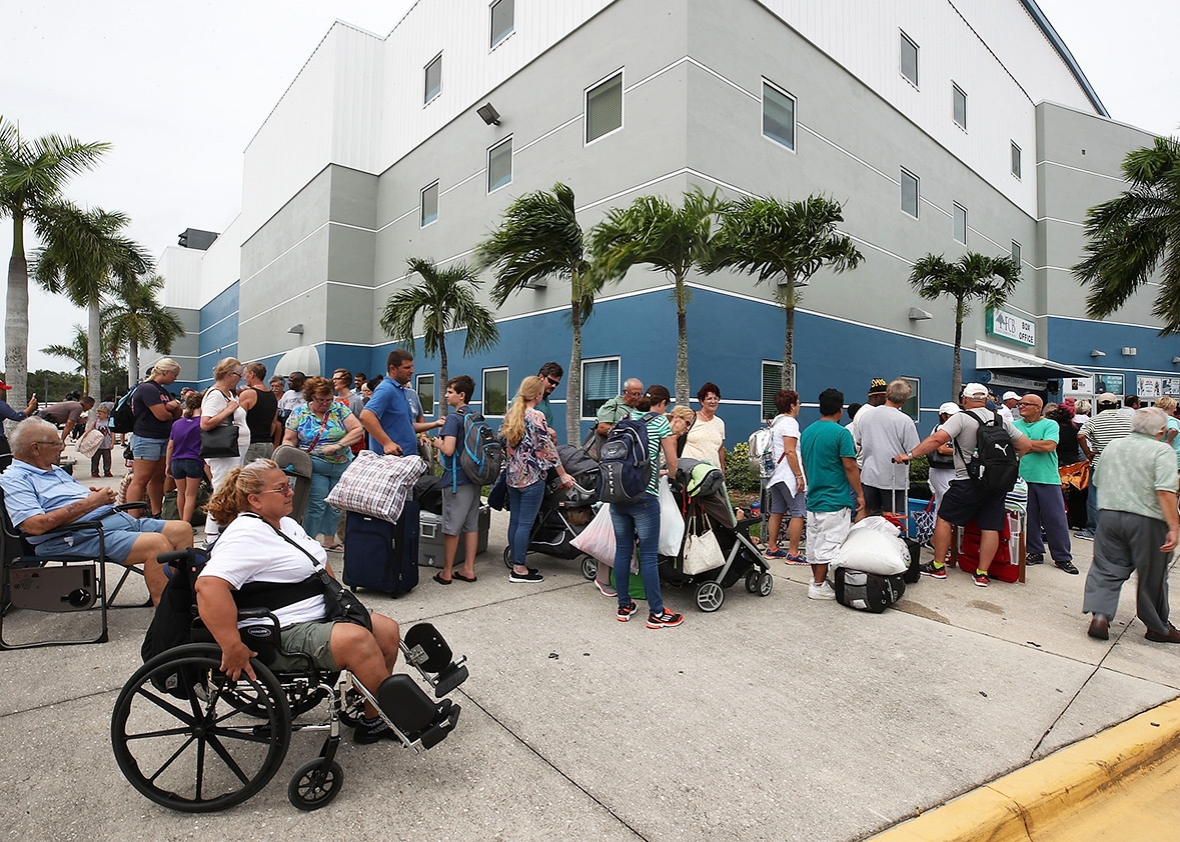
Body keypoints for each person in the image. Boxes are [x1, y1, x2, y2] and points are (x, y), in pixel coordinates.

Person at [194, 459, 408, 743]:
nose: (290, 492)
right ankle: (394, 714)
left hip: (315, 614)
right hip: (276, 631)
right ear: (255, 500)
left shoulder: (286, 524)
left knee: (387, 630)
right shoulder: (244, 535)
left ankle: (372, 718)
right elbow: (209, 587)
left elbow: (319, 567)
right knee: (358, 640)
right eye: (281, 489)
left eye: (289, 486)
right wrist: (232, 646)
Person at [0, 418, 192, 605]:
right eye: (56, 443)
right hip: (74, 537)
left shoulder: (53, 470)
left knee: (182, 529)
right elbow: (35, 526)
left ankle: (179, 597)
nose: (62, 447)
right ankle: (169, 618)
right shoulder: (15, 479)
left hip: (107, 523)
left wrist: (94, 496)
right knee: (155, 544)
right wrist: (91, 503)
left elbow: (76, 500)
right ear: (35, 448)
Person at [894, 383, 1030, 587]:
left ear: (965, 400)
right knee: (990, 527)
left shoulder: (961, 417)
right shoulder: (1000, 419)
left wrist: (910, 455)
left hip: (967, 480)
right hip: (995, 483)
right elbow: (1025, 445)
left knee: (945, 519)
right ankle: (982, 574)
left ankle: (938, 566)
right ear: (985, 399)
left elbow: (938, 439)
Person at [1083, 408, 1180, 644]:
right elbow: (1165, 491)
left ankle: (1100, 615)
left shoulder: (1114, 446)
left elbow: (1097, 480)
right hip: (1148, 518)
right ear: (1161, 430)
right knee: (1153, 573)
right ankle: (1157, 626)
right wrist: (1174, 527)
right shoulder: (1162, 451)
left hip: (1110, 514)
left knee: (1106, 567)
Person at [610, 386, 683, 629]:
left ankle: (624, 606)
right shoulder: (661, 423)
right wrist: (672, 476)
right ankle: (657, 613)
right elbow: (672, 462)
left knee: (622, 551)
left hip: (618, 495)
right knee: (648, 555)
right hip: (644, 496)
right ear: (661, 404)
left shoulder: (626, 418)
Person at [501, 376, 573, 583]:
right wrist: (562, 473)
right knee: (525, 522)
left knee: (515, 521)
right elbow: (546, 449)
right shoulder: (536, 416)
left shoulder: (512, 414)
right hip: (532, 477)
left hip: (513, 476)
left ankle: (515, 559)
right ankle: (519, 568)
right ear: (538, 395)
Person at [283, 376, 364, 551]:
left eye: (329, 399)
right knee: (317, 504)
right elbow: (288, 439)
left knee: (335, 505)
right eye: (321, 400)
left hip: (341, 463)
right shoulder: (299, 413)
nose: (325, 403)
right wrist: (291, 458)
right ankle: (309, 541)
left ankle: (329, 540)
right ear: (311, 396)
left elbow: (358, 430)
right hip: (314, 464)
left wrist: (339, 445)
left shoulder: (339, 409)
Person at [799, 388, 864, 600]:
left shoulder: (807, 432)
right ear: (840, 409)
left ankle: (817, 581)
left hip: (814, 497)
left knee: (814, 543)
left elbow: (806, 465)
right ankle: (818, 585)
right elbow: (850, 466)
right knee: (829, 544)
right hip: (835, 498)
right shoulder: (841, 433)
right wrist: (860, 494)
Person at [1013, 394, 1077, 573]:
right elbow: (1011, 445)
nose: (1021, 406)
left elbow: (1049, 446)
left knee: (1055, 518)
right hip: (1022, 478)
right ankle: (1034, 551)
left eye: (1026, 404)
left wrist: (1023, 444)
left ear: (1037, 408)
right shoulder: (1013, 425)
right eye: (1020, 403)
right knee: (1029, 519)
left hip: (1047, 477)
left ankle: (1063, 557)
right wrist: (1034, 445)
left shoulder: (1050, 424)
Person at [434, 375, 481, 585]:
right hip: (474, 477)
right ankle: (469, 569)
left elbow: (449, 449)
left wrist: (437, 443)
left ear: (461, 395)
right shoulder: (475, 417)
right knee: (471, 525)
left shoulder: (454, 418)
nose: (446, 395)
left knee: (452, 526)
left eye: (450, 392)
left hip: (456, 479)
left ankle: (446, 572)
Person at [201, 358, 251, 543]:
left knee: (228, 488)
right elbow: (205, 423)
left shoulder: (228, 394)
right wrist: (229, 410)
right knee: (222, 487)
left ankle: (223, 528)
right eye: (239, 375)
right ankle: (212, 533)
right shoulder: (216, 395)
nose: (241, 379)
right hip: (225, 450)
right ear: (229, 374)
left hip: (234, 448)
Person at [127, 359, 184, 518]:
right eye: (174, 375)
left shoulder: (162, 390)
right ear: (166, 372)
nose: (175, 379)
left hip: (162, 437)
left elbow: (176, 414)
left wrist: (173, 409)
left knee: (157, 478)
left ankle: (156, 512)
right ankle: (133, 516)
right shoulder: (147, 388)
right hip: (147, 437)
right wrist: (170, 408)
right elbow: (162, 415)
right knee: (140, 479)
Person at [854, 378, 919, 516]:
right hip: (893, 477)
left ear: (887, 394)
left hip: (869, 474)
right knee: (891, 514)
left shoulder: (866, 415)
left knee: (865, 510)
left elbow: (858, 441)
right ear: (904, 400)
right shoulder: (904, 420)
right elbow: (913, 449)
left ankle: (859, 536)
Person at [1076, 393, 1132, 540]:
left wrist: (1088, 452)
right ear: (1117, 404)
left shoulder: (1094, 420)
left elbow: (1080, 436)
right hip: (1123, 463)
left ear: (1099, 406)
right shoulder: (1128, 420)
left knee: (1095, 496)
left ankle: (1094, 529)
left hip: (1101, 461)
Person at [763, 389, 807, 564]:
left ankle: (772, 547)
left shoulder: (775, 423)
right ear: (792, 405)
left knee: (777, 510)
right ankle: (793, 553)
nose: (799, 406)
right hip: (787, 475)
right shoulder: (789, 423)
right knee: (798, 512)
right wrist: (799, 476)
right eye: (798, 402)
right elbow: (790, 451)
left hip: (774, 474)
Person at [360, 350, 419, 457]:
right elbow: (366, 416)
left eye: (412, 366)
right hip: (390, 461)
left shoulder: (399, 389)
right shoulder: (386, 389)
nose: (412, 371)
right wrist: (387, 443)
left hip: (403, 458)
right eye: (407, 367)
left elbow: (404, 426)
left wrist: (435, 424)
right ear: (393, 369)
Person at [167, 392, 207, 525]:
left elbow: (170, 445)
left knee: (181, 493)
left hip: (176, 460)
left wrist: (168, 464)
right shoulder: (202, 423)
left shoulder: (177, 423)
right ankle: (186, 523)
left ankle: (180, 522)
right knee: (191, 495)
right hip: (193, 460)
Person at [589, 378, 643, 459]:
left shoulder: (637, 408)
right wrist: (624, 435)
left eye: (639, 394)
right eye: (634, 394)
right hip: (612, 454)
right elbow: (602, 427)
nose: (636, 397)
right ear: (625, 392)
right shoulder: (613, 404)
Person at [681, 382, 726, 471]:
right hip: (691, 470)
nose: (713, 402)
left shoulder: (720, 423)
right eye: (709, 399)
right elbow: (674, 439)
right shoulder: (691, 418)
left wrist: (723, 471)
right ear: (702, 401)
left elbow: (720, 449)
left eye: (716, 398)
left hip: (713, 472)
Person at [242, 361, 280, 462]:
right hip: (268, 444)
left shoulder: (248, 394)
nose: (244, 378)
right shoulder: (273, 396)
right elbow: (274, 422)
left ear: (252, 374)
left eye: (245, 374)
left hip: (251, 443)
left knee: (248, 476)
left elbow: (239, 419)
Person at [927, 403, 960, 515]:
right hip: (942, 470)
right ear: (943, 416)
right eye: (952, 415)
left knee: (943, 502)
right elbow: (942, 449)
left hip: (948, 469)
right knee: (945, 502)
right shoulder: (942, 428)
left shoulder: (948, 428)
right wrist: (961, 452)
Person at [0, 380, 37, 469]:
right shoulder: (1, 404)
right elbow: (17, 416)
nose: (3, 392)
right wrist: (30, 407)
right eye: (1, 389)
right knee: (5, 462)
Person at [85, 403, 114, 478]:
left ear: (106, 414)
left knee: (107, 459)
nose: (98, 415)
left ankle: (107, 471)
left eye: (100, 413)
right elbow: (89, 431)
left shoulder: (109, 423)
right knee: (95, 459)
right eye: (97, 413)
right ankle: (94, 472)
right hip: (97, 445)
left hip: (106, 444)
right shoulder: (95, 423)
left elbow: (112, 433)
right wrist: (84, 437)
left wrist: (112, 443)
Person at [535, 362, 563, 434]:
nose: (554, 386)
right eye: (551, 381)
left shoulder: (545, 397)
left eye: (556, 384)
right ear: (541, 377)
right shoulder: (526, 396)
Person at [1154, 396, 1180, 471]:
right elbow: (1173, 430)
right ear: (1168, 407)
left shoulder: (1154, 419)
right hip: (1175, 455)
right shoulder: (1170, 419)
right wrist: (1169, 440)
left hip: (1160, 455)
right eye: (1174, 407)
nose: (1175, 410)